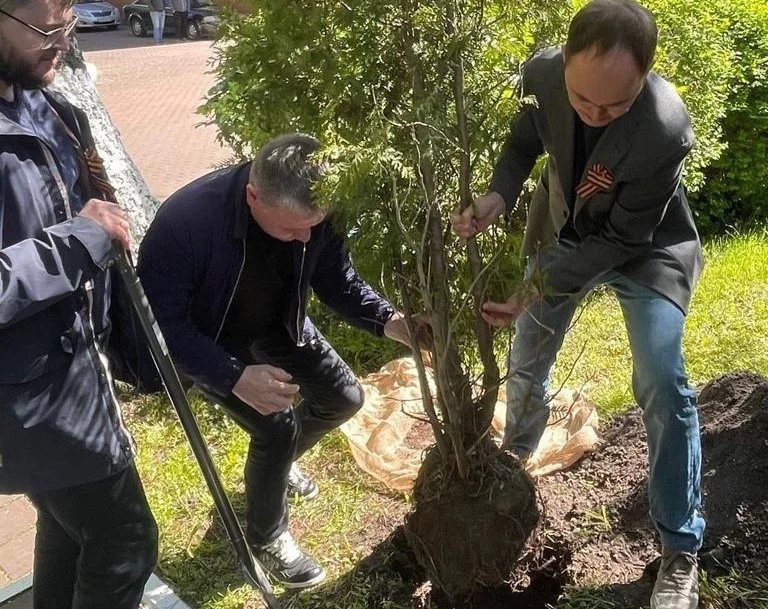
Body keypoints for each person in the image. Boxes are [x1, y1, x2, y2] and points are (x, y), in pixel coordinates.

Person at [452, 1, 703, 608]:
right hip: (566, 229)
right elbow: (520, 144)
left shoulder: (665, 128)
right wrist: (497, 195)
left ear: (644, 77)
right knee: (527, 353)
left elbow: (622, 238)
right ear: (564, 63)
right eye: (583, 99)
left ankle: (679, 547)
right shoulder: (540, 75)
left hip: (647, 248)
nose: (595, 113)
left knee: (662, 380)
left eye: (614, 106)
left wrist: (536, 286)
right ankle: (514, 466)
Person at [137, 133, 421, 589]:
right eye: (292, 230)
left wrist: (390, 320)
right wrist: (233, 377)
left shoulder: (315, 207)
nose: (305, 237)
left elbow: (336, 278)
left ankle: (279, 465)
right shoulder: (185, 223)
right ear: (253, 196)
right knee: (276, 425)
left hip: (280, 322)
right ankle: (267, 534)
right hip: (212, 339)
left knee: (344, 398)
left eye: (314, 226)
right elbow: (161, 326)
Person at [0, 0, 158, 607]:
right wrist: (81, 239)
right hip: (28, 397)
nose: (62, 41)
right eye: (45, 28)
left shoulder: (39, 97)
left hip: (70, 367)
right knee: (126, 540)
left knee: (69, 527)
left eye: (67, 23)